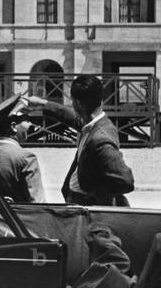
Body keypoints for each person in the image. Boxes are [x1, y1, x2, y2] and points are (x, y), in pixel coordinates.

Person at [29, 74, 134, 206]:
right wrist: (44, 104)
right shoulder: (96, 124)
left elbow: (125, 181)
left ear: (77, 103)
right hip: (80, 201)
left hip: (87, 207)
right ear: (100, 99)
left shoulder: (100, 139)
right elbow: (73, 118)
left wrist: (94, 195)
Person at [0, 97, 45, 203]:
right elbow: (38, 205)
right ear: (14, 126)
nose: (30, 124)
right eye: (27, 120)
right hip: (19, 218)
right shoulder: (26, 158)